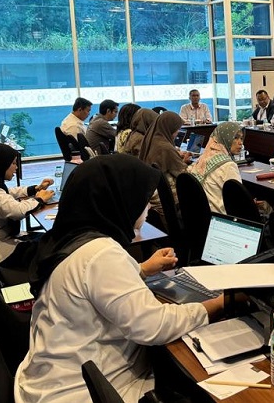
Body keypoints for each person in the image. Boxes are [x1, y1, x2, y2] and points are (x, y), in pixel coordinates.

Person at [15, 154, 224, 403]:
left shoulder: (70, 239)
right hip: (81, 392)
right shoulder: (102, 254)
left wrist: (142, 269)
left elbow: (88, 285)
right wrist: (220, 303)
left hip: (48, 379)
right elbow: (154, 327)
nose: (147, 208)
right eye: (143, 201)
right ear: (118, 200)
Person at [138, 111, 190, 222]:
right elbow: (184, 175)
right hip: (166, 198)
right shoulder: (165, 147)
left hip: (151, 194)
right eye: (177, 130)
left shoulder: (152, 138)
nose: (177, 134)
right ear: (169, 128)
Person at [187, 122, 245, 214]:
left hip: (200, 214)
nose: (240, 143)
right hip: (222, 216)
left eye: (241, 138)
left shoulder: (204, 157)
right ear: (225, 138)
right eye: (235, 137)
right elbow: (239, 201)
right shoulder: (228, 166)